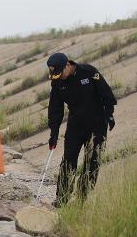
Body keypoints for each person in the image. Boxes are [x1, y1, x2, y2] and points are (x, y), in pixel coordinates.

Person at [46, 52, 116, 207]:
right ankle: (62, 198)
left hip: (97, 124)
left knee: (92, 163)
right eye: (54, 74)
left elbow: (105, 93)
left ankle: (81, 200)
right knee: (68, 161)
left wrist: (109, 114)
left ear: (67, 65)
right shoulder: (57, 82)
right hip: (75, 125)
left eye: (60, 73)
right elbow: (55, 109)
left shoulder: (88, 72)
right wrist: (54, 133)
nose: (59, 77)